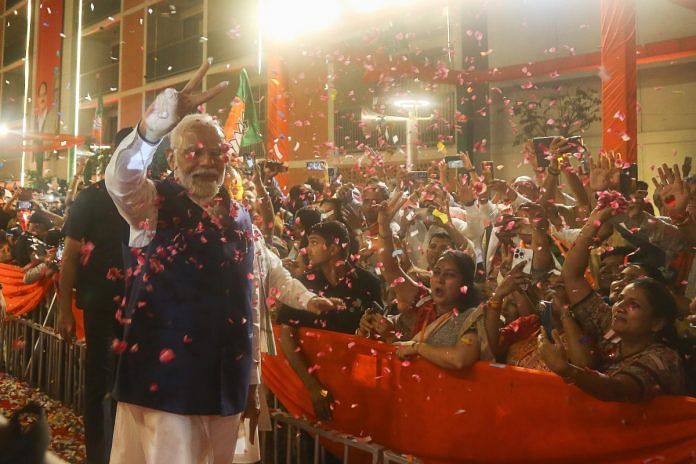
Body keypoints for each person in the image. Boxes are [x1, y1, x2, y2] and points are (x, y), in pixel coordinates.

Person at [105, 60, 254, 464]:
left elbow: (248, 297)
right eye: (192, 152)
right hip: (165, 387)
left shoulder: (240, 215)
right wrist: (155, 127)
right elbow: (120, 180)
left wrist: (253, 378)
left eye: (215, 152)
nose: (206, 161)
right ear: (171, 160)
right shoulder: (151, 205)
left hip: (226, 386)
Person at [56, 128, 132, 464]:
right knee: (100, 386)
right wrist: (64, 312)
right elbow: (70, 257)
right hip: (101, 308)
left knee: (131, 388)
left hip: (142, 310)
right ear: (116, 153)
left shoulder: (150, 197)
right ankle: (99, 457)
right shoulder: (91, 198)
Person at [277, 220, 381, 420]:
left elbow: (374, 335)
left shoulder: (369, 283)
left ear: (333, 248)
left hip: (353, 385)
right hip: (308, 385)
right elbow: (286, 336)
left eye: (314, 242)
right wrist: (312, 386)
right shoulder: (302, 284)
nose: (307, 249)